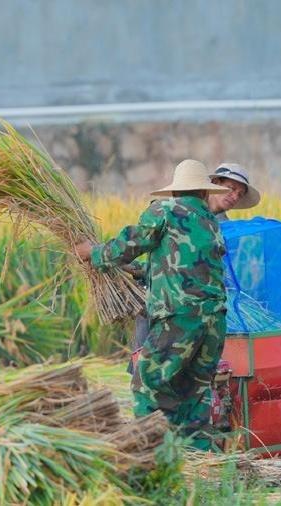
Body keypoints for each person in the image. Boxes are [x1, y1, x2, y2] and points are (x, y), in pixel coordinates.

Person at [73, 159, 230, 450]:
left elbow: (130, 244)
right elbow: (187, 268)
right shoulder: (210, 221)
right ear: (204, 192)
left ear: (175, 191)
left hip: (180, 319)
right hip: (214, 322)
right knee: (194, 393)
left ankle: (149, 453)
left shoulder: (165, 210)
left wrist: (92, 253)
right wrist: (140, 272)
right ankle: (200, 461)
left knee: (148, 383)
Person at [127, 162, 262, 370]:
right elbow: (161, 257)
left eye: (240, 194)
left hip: (199, 309)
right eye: (231, 189)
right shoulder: (174, 211)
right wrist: (137, 269)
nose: (234, 196)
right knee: (146, 362)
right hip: (163, 302)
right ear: (215, 184)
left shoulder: (226, 229)